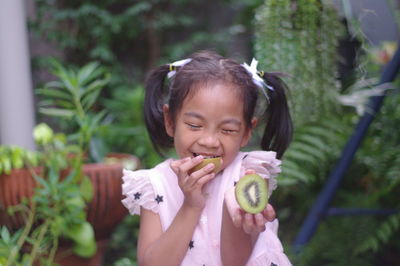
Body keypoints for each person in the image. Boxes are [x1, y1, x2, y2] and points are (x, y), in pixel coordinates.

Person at [122, 50, 293, 266]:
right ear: (170, 121)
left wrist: (233, 212)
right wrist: (191, 205)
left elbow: (235, 262)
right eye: (195, 126)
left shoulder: (248, 174)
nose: (210, 141)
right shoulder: (154, 185)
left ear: (247, 132)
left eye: (228, 130)